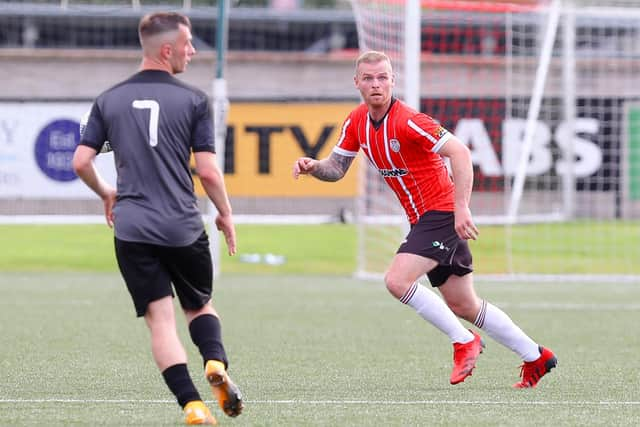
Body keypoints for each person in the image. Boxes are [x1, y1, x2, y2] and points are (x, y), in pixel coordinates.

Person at [293, 50, 557, 389]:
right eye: (369, 78)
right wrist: (314, 167)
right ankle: (535, 356)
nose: (377, 84)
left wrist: (462, 207)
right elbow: (337, 168)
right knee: (464, 303)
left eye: (383, 77)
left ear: (392, 81)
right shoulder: (356, 122)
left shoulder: (408, 120)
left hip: (442, 213)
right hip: (425, 220)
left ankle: (464, 342)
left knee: (396, 281)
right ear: (357, 82)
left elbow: (460, 152)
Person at [72, 12, 243, 425]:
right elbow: (207, 172)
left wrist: (107, 193)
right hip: (182, 225)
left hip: (132, 228)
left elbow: (80, 161)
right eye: (187, 44)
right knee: (200, 306)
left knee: (159, 321)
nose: (193, 51)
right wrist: (225, 212)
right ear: (167, 50)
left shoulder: (108, 99)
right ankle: (214, 363)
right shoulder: (194, 100)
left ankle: (193, 405)